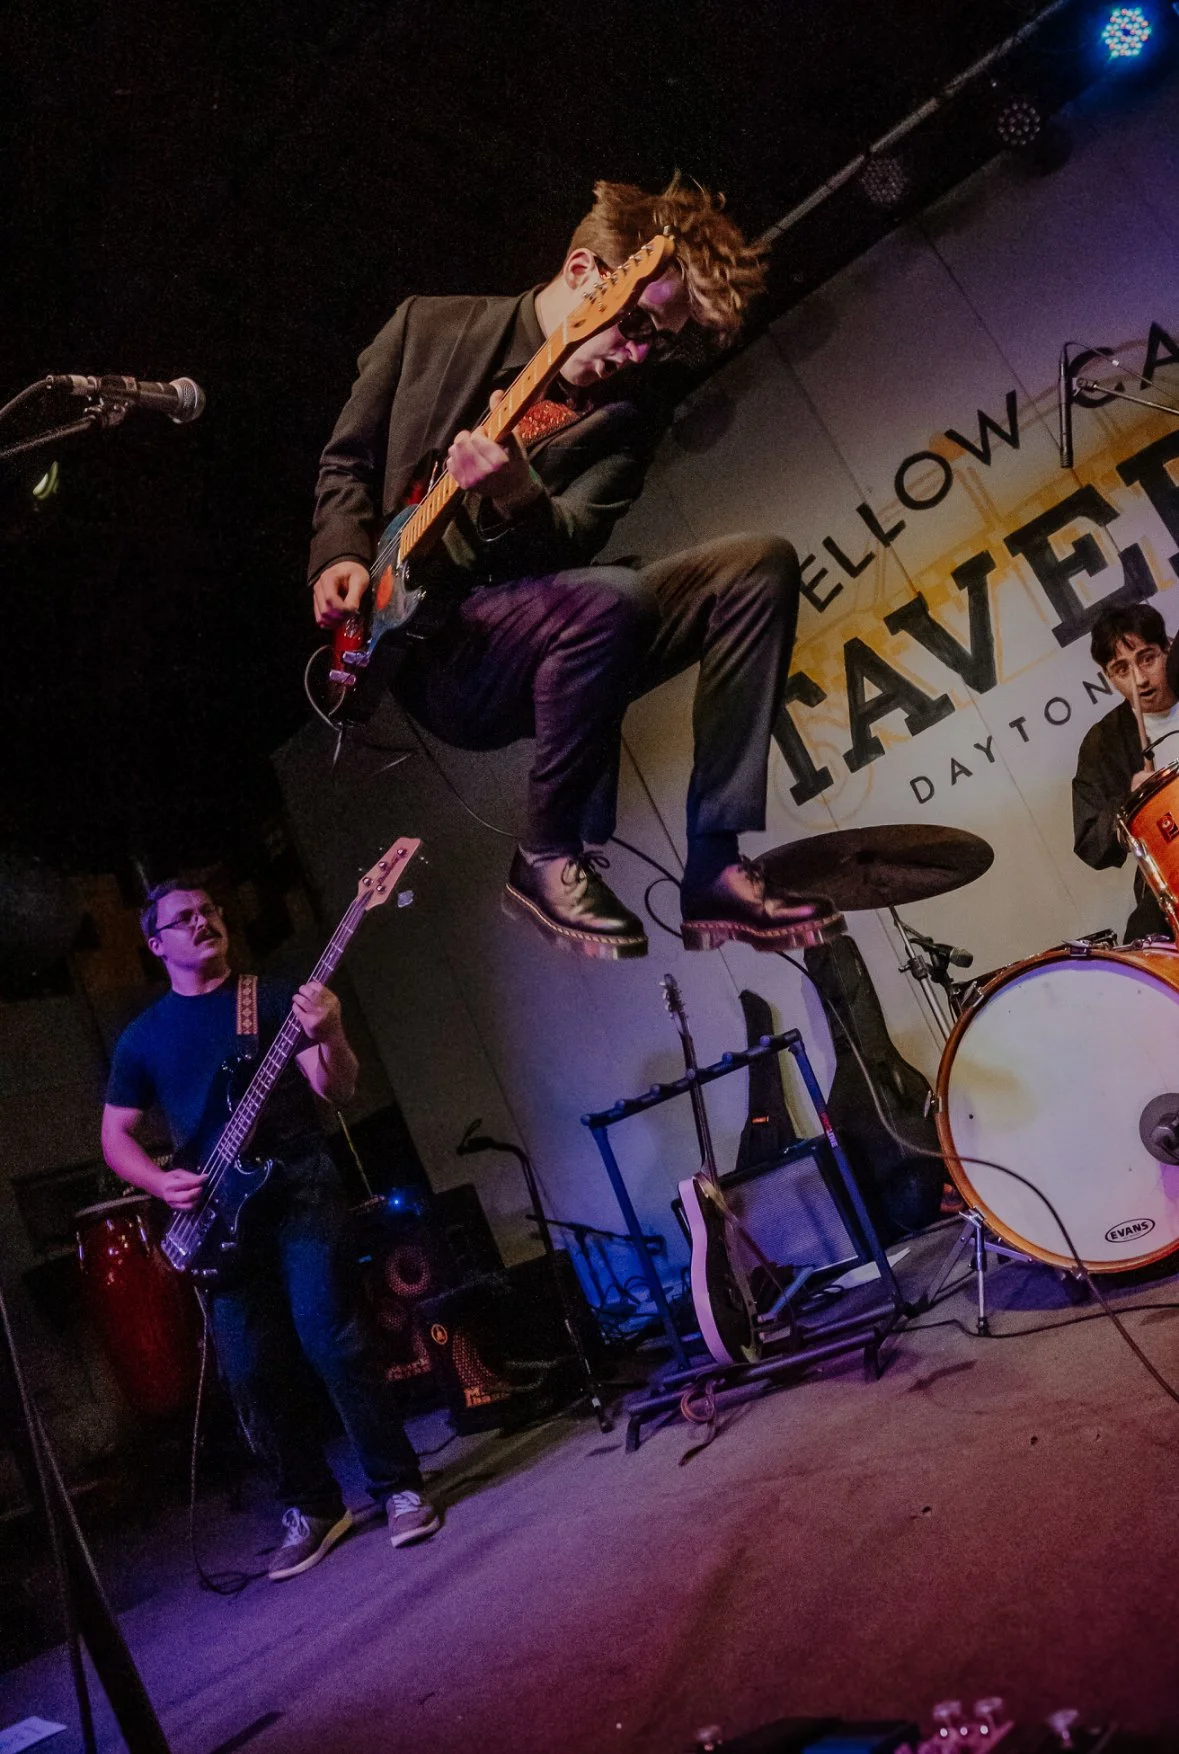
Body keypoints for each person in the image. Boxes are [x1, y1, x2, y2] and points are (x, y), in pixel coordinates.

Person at [308, 178, 843, 961]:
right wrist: (339, 556)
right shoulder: (429, 327)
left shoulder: (632, 411)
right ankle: (547, 853)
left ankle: (713, 865)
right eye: (635, 325)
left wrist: (516, 493)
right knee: (612, 600)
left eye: (657, 343)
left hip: (554, 625)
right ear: (587, 274)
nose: (637, 353)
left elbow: (573, 540)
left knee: (756, 564)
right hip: (445, 659)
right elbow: (347, 460)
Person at [100, 881, 440, 1580]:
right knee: (250, 1370)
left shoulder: (276, 996)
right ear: (156, 944)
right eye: (184, 918)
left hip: (298, 1186)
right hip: (217, 1212)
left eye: (210, 910)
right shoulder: (143, 1037)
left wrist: (332, 1033)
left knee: (331, 1340)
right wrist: (160, 1183)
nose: (203, 922)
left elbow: (337, 1090)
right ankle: (311, 1507)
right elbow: (115, 1137)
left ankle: (398, 1487)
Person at [1072, 601, 1176, 940]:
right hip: (1173, 875)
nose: (1140, 679)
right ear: (1109, 677)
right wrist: (1131, 805)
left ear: (1167, 648)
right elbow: (1090, 840)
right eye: (1121, 669)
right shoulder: (1103, 742)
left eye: (1147, 658)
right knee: (1143, 942)